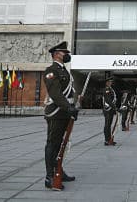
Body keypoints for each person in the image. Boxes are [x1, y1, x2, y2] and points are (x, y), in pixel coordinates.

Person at [43, 41, 78, 190]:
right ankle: (49, 177)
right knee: (53, 144)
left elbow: (69, 93)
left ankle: (59, 171)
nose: (67, 55)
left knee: (62, 144)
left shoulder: (65, 71)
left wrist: (73, 107)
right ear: (57, 54)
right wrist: (68, 108)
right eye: (65, 53)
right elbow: (56, 94)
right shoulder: (51, 71)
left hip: (65, 112)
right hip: (56, 113)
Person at [103, 77, 117, 146]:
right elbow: (108, 100)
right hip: (108, 109)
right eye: (109, 81)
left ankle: (109, 139)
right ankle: (106, 140)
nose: (111, 82)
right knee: (107, 125)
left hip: (110, 109)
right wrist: (114, 107)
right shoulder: (107, 89)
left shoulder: (111, 89)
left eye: (111, 81)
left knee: (109, 125)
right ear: (107, 82)